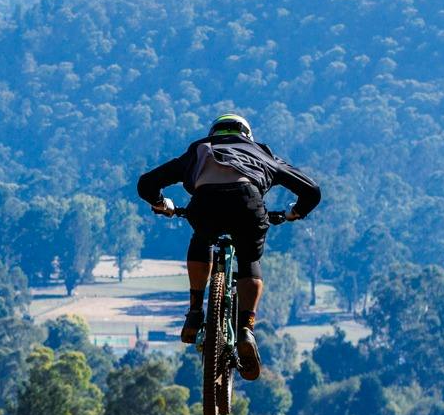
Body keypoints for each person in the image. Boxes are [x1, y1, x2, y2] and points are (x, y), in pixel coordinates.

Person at [135, 113, 319, 381]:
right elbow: (312, 191)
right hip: (247, 202)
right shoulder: (261, 152)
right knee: (249, 260)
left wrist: (162, 204)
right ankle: (246, 328)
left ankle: (195, 311)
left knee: (202, 238)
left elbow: (146, 183)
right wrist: (294, 213)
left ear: (214, 132)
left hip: (205, 201)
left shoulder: (200, 149)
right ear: (247, 134)